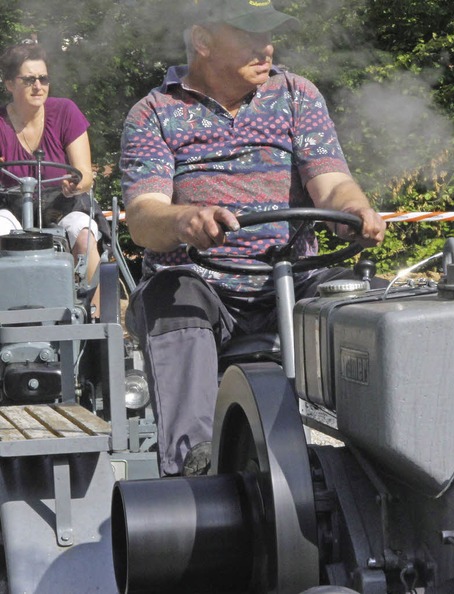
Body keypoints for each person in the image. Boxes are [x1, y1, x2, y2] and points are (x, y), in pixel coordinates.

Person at [120, 0, 387, 476]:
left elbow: (331, 183)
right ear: (202, 41)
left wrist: (351, 209)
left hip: (292, 279)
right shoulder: (154, 112)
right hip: (200, 284)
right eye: (248, 34)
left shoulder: (296, 95)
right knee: (171, 299)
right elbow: (143, 216)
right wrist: (185, 221)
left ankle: (385, 456)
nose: (265, 47)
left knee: (376, 306)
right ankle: (194, 468)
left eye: (269, 34)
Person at [0, 42, 109, 316]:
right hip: (9, 208)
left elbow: (84, 174)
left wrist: (76, 184)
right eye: (28, 79)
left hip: (65, 205)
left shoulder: (65, 112)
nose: (38, 86)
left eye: (43, 78)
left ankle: (94, 320)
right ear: (9, 84)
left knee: (83, 233)